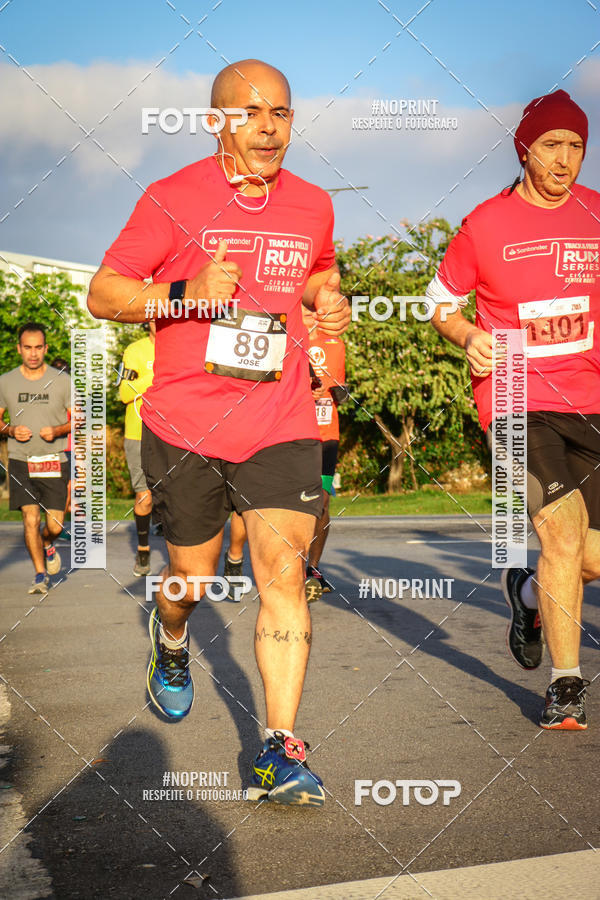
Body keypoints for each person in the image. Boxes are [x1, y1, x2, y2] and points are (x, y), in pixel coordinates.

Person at [87, 59, 350, 804]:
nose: (269, 127)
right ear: (217, 121)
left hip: (281, 418)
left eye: (283, 113)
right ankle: (170, 639)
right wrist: (183, 294)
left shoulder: (313, 204)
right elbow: (103, 293)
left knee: (283, 578)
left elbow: (319, 276)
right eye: (251, 112)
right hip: (188, 426)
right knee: (190, 582)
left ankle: (280, 749)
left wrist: (333, 303)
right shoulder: (171, 198)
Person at [428, 90, 600, 730]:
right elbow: (439, 302)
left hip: (590, 400)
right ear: (525, 149)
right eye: (552, 145)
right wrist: (469, 335)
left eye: (577, 147)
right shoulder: (486, 224)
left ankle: (529, 595)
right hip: (515, 400)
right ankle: (565, 686)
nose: (565, 160)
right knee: (559, 529)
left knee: (588, 558)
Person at [0, 323, 71, 594]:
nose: (33, 353)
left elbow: (78, 419)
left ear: (46, 348)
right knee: (30, 519)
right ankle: (40, 575)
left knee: (54, 525)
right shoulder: (6, 381)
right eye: (27, 347)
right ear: (19, 349)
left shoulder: (62, 380)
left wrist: (57, 430)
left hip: (53, 460)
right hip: (20, 459)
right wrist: (10, 429)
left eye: (38, 347)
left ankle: (48, 544)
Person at [304, 307, 347, 600]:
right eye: (305, 311)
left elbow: (343, 392)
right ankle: (288, 568)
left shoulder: (333, 343)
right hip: (289, 435)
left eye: (313, 311)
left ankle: (313, 569)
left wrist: (329, 389)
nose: (310, 317)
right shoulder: (281, 337)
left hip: (326, 435)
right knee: (291, 506)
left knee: (322, 503)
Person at [118, 322, 156, 576]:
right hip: (140, 433)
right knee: (145, 497)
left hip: (179, 433)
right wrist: (157, 375)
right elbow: (123, 392)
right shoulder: (135, 350)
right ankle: (143, 549)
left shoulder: (185, 346)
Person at [50, 357, 72, 542]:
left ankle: (58, 525)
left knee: (67, 489)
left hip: (69, 447)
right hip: (53, 447)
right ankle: (55, 526)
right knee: (58, 489)